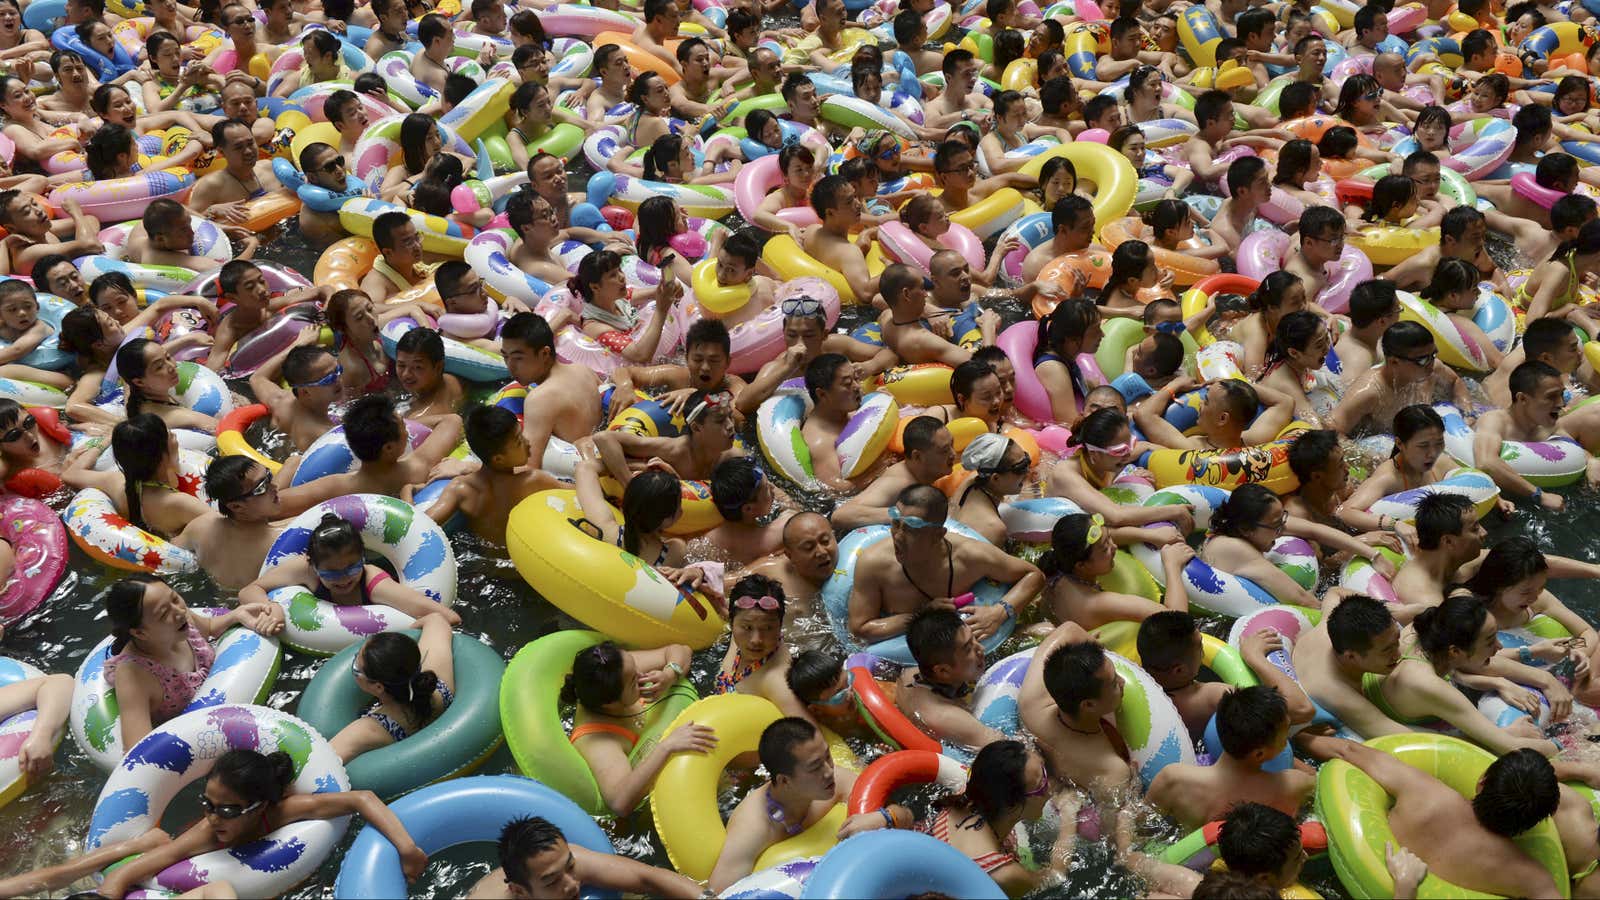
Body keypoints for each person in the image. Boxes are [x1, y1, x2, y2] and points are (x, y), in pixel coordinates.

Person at [94, 748, 429, 900]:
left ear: (259, 808)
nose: (213, 817)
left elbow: (363, 798)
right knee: (158, 845)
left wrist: (407, 848)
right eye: (207, 804)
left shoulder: (282, 813)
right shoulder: (206, 833)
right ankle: (144, 839)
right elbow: (131, 871)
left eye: (227, 810)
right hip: (204, 879)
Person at [1296, 731, 1563, 897]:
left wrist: (1298, 735)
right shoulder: (1531, 878)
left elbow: (1348, 750)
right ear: (1534, 823)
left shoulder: (1424, 791)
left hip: (1334, 874)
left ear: (1482, 781)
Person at [708, 717, 908, 893]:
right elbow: (719, 894)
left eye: (827, 756)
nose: (829, 771)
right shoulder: (753, 829)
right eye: (815, 767)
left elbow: (907, 816)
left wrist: (886, 817)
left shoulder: (837, 780)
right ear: (785, 781)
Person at [100, 574, 283, 752]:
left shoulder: (181, 620)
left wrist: (236, 615)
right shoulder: (134, 676)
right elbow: (137, 750)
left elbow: (210, 627)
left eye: (175, 598)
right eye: (164, 613)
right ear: (140, 633)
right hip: (193, 739)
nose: (179, 611)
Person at [848, 484, 1042, 643]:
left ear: (938, 535)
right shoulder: (873, 564)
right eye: (895, 523)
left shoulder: (970, 556)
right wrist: (921, 614)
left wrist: (999, 612)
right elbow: (860, 627)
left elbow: (1034, 575)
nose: (898, 536)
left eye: (911, 529)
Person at [565, 639, 713, 815]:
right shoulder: (599, 743)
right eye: (634, 680)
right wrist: (666, 746)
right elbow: (620, 803)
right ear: (611, 704)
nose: (642, 673)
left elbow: (683, 650)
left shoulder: (617, 667)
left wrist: (669, 674)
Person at [1146, 685, 1316, 831]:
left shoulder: (1173, 780)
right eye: (1285, 736)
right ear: (1259, 754)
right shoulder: (1293, 785)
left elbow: (1137, 822)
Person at [240, 511, 459, 624]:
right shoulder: (303, 569)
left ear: (363, 559)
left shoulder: (375, 584)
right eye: (332, 573)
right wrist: (271, 608)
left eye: (352, 568)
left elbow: (448, 617)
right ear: (313, 565)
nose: (344, 578)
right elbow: (249, 590)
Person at [924, 740, 1080, 897]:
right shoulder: (1004, 874)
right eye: (1041, 784)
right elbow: (1055, 876)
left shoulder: (961, 800)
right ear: (1012, 806)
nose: (1049, 789)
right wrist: (1069, 816)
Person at [1203, 484, 1394, 609]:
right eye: (1277, 525)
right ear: (1246, 529)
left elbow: (1315, 530)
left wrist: (1374, 555)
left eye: (1282, 519)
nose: (1282, 529)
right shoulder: (1232, 548)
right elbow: (1300, 598)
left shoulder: (1253, 524)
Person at [1138, 610, 1314, 741]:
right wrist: (1255, 656)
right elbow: (1303, 709)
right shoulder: (1210, 697)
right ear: (1179, 671)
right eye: (1200, 646)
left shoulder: (1140, 683)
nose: (1203, 648)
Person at [174, 456, 343, 591]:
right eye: (262, 487)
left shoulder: (201, 526)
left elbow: (170, 550)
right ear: (236, 506)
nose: (274, 486)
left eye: (269, 476)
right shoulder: (281, 542)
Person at [1020, 621, 1137, 803]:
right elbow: (1113, 823)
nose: (1123, 682)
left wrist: (1090, 656)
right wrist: (1134, 784)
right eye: (1114, 684)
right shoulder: (1112, 769)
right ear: (1088, 705)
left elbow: (1068, 629)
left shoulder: (1031, 704)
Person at [420, 405, 562, 545]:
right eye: (519, 441)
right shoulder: (531, 481)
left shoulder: (460, 489)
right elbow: (580, 493)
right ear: (498, 459)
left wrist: (406, 491)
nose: (528, 443)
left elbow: (418, 528)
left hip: (482, 562)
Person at [468, 815, 705, 899]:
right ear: (519, 891)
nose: (571, 884)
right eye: (552, 882)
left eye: (570, 867)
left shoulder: (565, 863)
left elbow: (649, 878)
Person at [327, 611, 457, 763]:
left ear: (378, 687)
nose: (354, 665)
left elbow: (317, 770)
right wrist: (395, 650)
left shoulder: (368, 730)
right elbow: (436, 619)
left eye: (357, 667)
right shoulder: (441, 685)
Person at [1038, 512, 1196, 628]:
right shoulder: (1099, 602)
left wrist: (1150, 535)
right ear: (1081, 565)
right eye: (1105, 548)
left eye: (1109, 539)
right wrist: (1172, 566)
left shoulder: (1056, 570)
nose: (1114, 546)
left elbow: (1106, 536)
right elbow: (1177, 622)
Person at [1476, 362, 1600, 505]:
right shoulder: (1495, 421)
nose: (1561, 404)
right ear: (1522, 399)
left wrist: (1591, 461)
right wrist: (1540, 495)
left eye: (1561, 395)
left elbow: (1575, 449)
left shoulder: (1547, 428)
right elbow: (1486, 462)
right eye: (1551, 397)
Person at [1330, 321, 1471, 437]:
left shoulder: (1432, 369)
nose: (1431, 364)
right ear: (1394, 362)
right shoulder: (1369, 392)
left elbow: (1455, 382)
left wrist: (1467, 412)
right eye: (1422, 360)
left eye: (1433, 355)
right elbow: (1333, 430)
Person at [895, 607, 1007, 751]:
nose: (981, 649)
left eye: (974, 639)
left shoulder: (910, 674)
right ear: (943, 670)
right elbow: (1009, 751)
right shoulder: (949, 718)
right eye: (968, 649)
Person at [308, 395, 462, 499]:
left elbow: (282, 504)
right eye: (404, 426)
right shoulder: (417, 468)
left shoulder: (337, 487)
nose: (408, 430)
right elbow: (452, 420)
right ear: (388, 448)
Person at [207, 260, 329, 374]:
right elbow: (211, 372)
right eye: (250, 287)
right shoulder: (229, 331)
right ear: (233, 298)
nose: (261, 290)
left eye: (261, 281)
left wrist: (327, 308)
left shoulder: (270, 305)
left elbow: (323, 290)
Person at [714, 574, 807, 715]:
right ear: (732, 623)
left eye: (767, 628)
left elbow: (815, 736)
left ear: (780, 625)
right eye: (747, 628)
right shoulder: (742, 622)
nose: (756, 639)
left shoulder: (778, 683)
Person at [248, 339, 344, 452]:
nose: (338, 379)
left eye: (338, 369)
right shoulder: (323, 434)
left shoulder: (282, 401)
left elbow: (257, 378)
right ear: (305, 392)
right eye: (329, 379)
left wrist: (296, 345)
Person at [747, 512, 838, 616]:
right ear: (790, 556)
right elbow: (726, 582)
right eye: (809, 548)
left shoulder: (855, 564)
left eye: (825, 541)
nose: (821, 552)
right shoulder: (773, 570)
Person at [951, 432, 1032, 546]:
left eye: (1027, 459)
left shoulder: (972, 480)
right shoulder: (993, 528)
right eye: (1021, 468)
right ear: (995, 478)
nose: (1028, 471)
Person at [705, 456, 790, 563]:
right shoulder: (771, 537)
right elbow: (794, 512)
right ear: (748, 509)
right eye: (767, 488)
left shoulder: (708, 538)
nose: (773, 487)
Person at [359, 210, 432, 304]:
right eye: (408, 242)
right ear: (388, 252)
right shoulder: (375, 282)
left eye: (417, 237)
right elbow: (371, 310)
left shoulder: (416, 267)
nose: (417, 246)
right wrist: (415, 305)